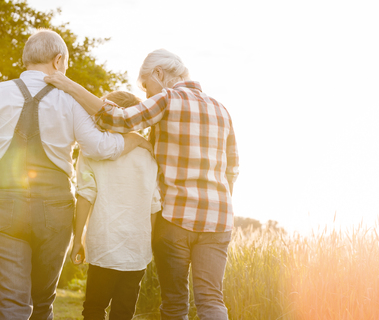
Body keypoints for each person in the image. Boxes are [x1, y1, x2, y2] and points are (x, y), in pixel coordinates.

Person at [0, 29, 150, 320]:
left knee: (12, 302)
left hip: (2, 207)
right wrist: (134, 140)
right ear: (59, 60)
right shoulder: (70, 100)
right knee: (42, 302)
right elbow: (100, 147)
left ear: (26, 59)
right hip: (54, 209)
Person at [45, 48, 239, 320]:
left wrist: (68, 85)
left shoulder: (167, 99)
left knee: (175, 303)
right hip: (218, 221)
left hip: (176, 218)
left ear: (158, 74)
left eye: (147, 86)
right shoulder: (222, 109)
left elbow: (117, 119)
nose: (148, 95)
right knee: (212, 300)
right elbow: (232, 169)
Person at [71, 90, 161, 320]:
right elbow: (154, 206)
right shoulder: (149, 155)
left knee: (94, 308)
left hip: (104, 243)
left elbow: (85, 196)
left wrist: (77, 239)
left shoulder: (92, 151)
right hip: (136, 249)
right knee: (124, 312)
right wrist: (146, 243)